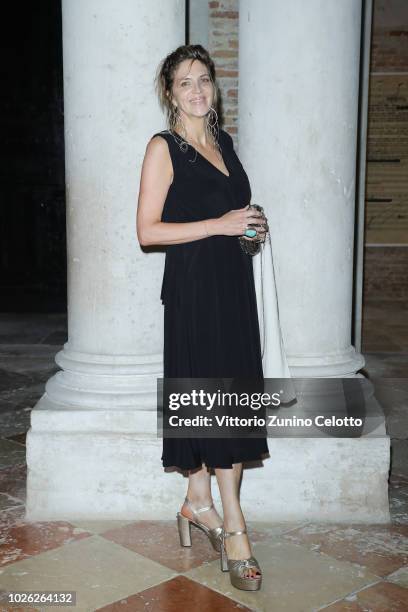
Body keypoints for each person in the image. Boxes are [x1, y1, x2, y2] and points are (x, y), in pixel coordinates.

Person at [137, 44, 269, 592]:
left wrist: (249, 229)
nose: (196, 90)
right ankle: (234, 526)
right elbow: (148, 232)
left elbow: (233, 212)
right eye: (185, 81)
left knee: (232, 399)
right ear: (170, 92)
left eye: (205, 80)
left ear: (214, 88)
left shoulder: (223, 142)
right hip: (193, 293)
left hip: (232, 287)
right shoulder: (163, 148)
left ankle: (197, 504)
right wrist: (219, 225)